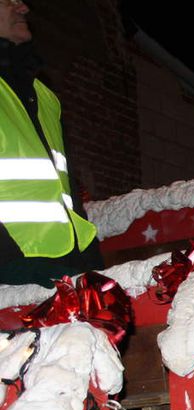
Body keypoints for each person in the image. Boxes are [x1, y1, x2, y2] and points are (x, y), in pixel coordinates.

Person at [0, 0, 103, 286]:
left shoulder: (44, 96)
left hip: (65, 265)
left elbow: (66, 190)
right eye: (7, 0)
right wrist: (9, 264)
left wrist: (89, 258)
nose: (22, 8)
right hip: (12, 274)